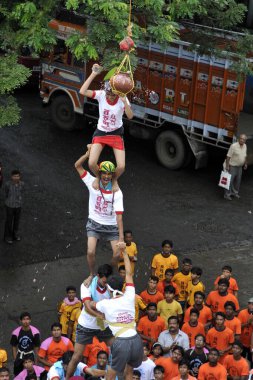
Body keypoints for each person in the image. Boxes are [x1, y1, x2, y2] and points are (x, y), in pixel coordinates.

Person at [88, 242, 143, 379]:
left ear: (109, 288)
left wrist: (87, 291)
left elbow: (90, 304)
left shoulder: (105, 304)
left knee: (110, 376)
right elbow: (129, 273)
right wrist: (124, 252)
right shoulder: (130, 294)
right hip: (136, 340)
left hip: (121, 342)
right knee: (129, 372)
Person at [79, 63, 133, 191]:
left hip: (116, 134)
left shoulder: (121, 99)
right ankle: (98, 177)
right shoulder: (101, 95)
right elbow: (82, 91)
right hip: (101, 133)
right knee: (91, 163)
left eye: (113, 95)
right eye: (108, 94)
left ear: (117, 93)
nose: (110, 96)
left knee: (121, 167)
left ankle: (114, 180)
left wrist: (125, 102)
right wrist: (94, 73)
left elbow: (130, 116)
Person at [74, 146, 124, 275]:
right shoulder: (92, 182)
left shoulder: (117, 192)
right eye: (104, 173)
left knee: (117, 255)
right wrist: (87, 154)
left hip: (111, 226)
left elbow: (119, 216)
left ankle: (106, 272)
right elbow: (78, 166)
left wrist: (121, 238)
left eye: (109, 174)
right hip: (94, 223)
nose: (106, 176)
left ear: (112, 175)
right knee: (90, 251)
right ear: (99, 173)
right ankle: (92, 274)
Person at [65, 264, 113, 380]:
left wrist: (110, 291)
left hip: (103, 326)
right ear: (98, 276)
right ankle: (67, 379)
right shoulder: (86, 285)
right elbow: (87, 307)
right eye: (103, 281)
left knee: (118, 352)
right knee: (76, 357)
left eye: (107, 280)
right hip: (86, 325)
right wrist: (99, 315)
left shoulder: (111, 285)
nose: (105, 282)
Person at [224, 133, 247, 200]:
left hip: (240, 167)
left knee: (238, 181)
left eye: (243, 139)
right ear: (238, 139)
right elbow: (228, 156)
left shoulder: (245, 146)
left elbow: (245, 155)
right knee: (229, 181)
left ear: (245, 141)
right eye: (241, 138)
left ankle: (235, 193)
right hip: (232, 166)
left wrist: (245, 164)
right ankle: (227, 194)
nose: (242, 140)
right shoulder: (233, 146)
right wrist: (227, 166)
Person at [4, 169, 24, 244]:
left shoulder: (22, 184)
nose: (16, 178)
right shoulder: (8, 184)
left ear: (20, 176)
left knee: (16, 221)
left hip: (18, 205)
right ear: (11, 177)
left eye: (17, 176)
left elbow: (22, 192)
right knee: (9, 221)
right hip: (10, 205)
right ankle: (7, 236)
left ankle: (15, 234)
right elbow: (6, 193)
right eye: (14, 176)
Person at [238, 298, 253, 366]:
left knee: (251, 360)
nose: (252, 306)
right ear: (248, 304)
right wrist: (248, 323)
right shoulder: (242, 313)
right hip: (242, 341)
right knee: (241, 359)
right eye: (250, 304)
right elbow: (238, 326)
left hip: (251, 343)